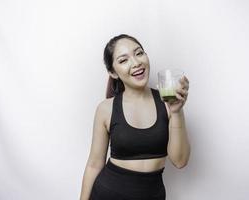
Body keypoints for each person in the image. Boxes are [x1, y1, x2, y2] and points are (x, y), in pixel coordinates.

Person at [80, 34, 190, 200]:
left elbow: (180, 161)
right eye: (123, 60)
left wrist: (176, 112)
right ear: (113, 72)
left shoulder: (168, 102)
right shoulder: (106, 109)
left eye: (139, 53)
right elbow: (94, 164)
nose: (136, 62)